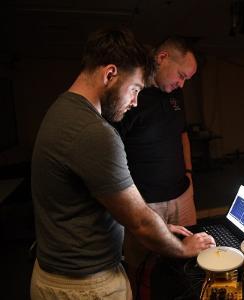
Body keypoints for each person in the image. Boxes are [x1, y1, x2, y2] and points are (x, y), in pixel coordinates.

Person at [30, 28, 214, 300]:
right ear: (110, 74)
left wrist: (163, 228)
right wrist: (184, 249)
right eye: (136, 89)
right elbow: (139, 221)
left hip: (59, 273)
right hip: (86, 287)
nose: (135, 101)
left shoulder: (63, 108)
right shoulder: (95, 133)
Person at [113, 37, 198, 295]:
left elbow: (182, 135)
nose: (181, 83)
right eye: (181, 75)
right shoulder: (131, 92)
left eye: (186, 80)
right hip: (146, 201)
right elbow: (113, 147)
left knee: (188, 259)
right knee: (142, 266)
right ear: (162, 58)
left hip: (182, 195)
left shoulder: (177, 94)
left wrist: (189, 173)